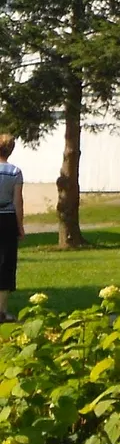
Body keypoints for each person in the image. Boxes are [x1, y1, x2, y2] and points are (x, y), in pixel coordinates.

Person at [0, 134, 22, 320]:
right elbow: (18, 201)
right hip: (7, 219)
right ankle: (2, 310)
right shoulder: (15, 172)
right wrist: (20, 226)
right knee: (6, 263)